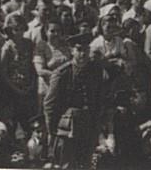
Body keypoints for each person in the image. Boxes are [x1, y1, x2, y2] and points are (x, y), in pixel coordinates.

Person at [44, 32, 107, 170]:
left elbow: (99, 99)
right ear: (72, 51)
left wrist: (97, 125)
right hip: (68, 128)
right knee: (68, 165)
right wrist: (52, 132)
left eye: (86, 50)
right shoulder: (62, 73)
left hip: (89, 125)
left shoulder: (96, 71)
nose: (83, 54)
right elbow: (50, 105)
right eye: (79, 49)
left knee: (86, 164)